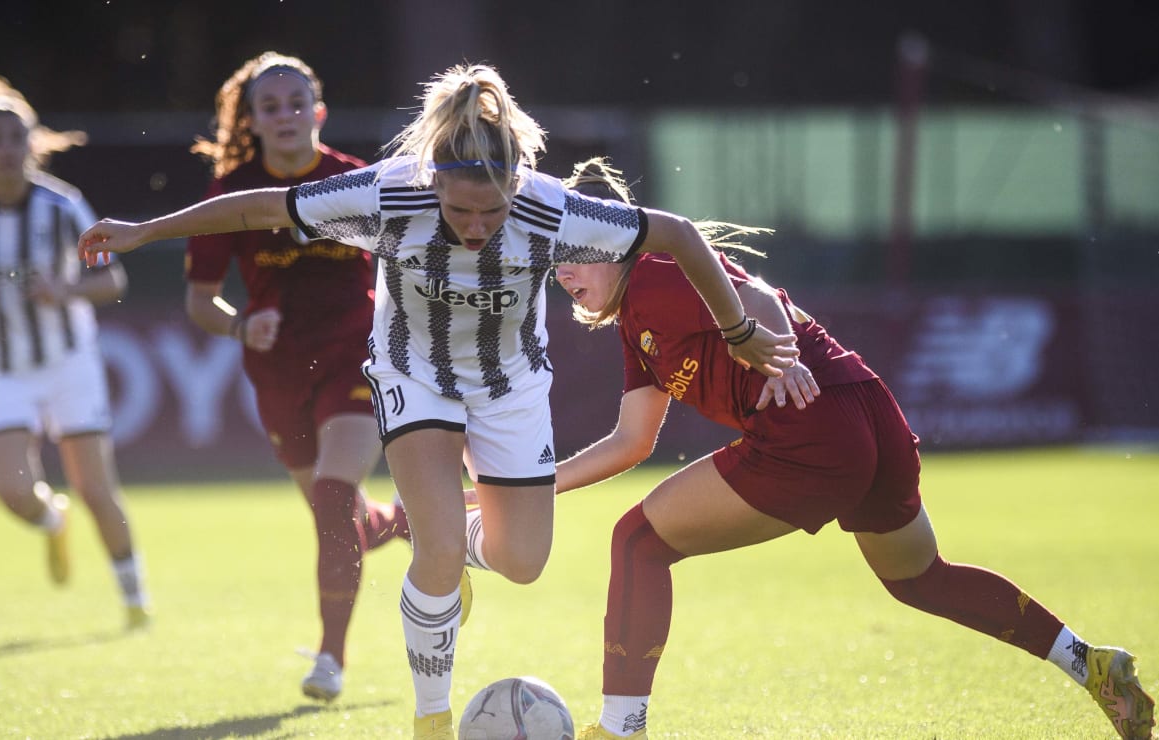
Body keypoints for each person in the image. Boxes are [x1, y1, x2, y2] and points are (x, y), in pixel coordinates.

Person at [77, 63, 799, 739]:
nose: (477, 224)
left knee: (522, 562)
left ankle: (456, 540)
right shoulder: (389, 193)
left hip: (511, 388)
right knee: (439, 550)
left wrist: (737, 329)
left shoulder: (548, 206)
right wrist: (147, 231)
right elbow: (261, 207)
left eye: (492, 210)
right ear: (434, 184)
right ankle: (431, 718)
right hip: (410, 376)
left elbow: (673, 232)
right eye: (461, 210)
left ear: (518, 183)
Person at [551, 158, 1156, 740]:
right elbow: (632, 441)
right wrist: (534, 484)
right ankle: (1090, 663)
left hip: (812, 430)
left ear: (612, 242)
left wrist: (780, 357)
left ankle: (620, 729)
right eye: (553, 265)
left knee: (638, 541)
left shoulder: (655, 274)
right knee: (920, 578)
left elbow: (756, 297)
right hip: (867, 409)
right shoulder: (637, 317)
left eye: (571, 256)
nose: (562, 275)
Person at [185, 51, 412, 702]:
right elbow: (200, 301)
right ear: (252, 120)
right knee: (342, 521)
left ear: (319, 112)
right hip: (279, 372)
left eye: (295, 103)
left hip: (356, 356)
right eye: (269, 106)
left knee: (334, 502)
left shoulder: (357, 181)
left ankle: (331, 659)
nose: (283, 115)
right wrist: (238, 326)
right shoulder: (230, 193)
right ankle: (396, 521)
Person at [0, 70, 151, 630]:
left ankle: (134, 597)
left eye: (15, 138)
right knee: (12, 492)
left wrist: (65, 290)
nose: (5, 150)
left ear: (32, 144)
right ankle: (52, 520)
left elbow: (113, 280)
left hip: (68, 363)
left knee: (97, 488)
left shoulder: (62, 206)